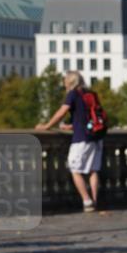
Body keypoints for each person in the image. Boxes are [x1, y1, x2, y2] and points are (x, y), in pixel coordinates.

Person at [36, 71, 103, 212]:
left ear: (70, 82)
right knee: (93, 170)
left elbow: (62, 111)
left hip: (81, 139)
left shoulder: (73, 94)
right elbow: (88, 118)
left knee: (74, 169)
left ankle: (87, 201)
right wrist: (70, 126)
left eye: (65, 81)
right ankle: (95, 201)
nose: (64, 84)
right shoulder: (91, 94)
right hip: (96, 137)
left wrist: (47, 126)